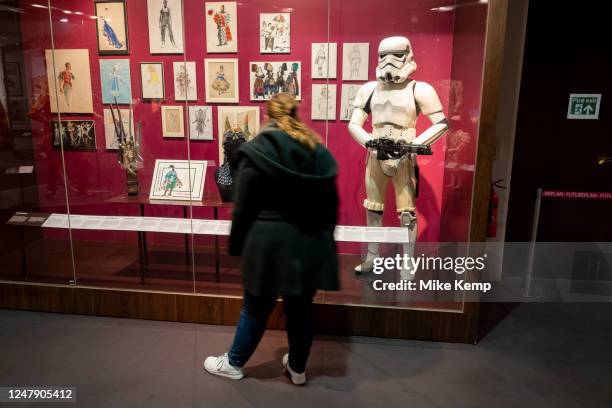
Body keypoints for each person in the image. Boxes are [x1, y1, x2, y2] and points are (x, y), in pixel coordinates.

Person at [204, 93, 339, 385]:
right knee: (300, 308)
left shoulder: (257, 151)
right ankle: (298, 369)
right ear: (296, 113)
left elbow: (244, 207)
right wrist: (325, 240)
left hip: (267, 243)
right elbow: (331, 207)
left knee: (255, 306)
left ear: (269, 115)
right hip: (308, 240)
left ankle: (233, 363)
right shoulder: (317, 150)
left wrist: (236, 244)